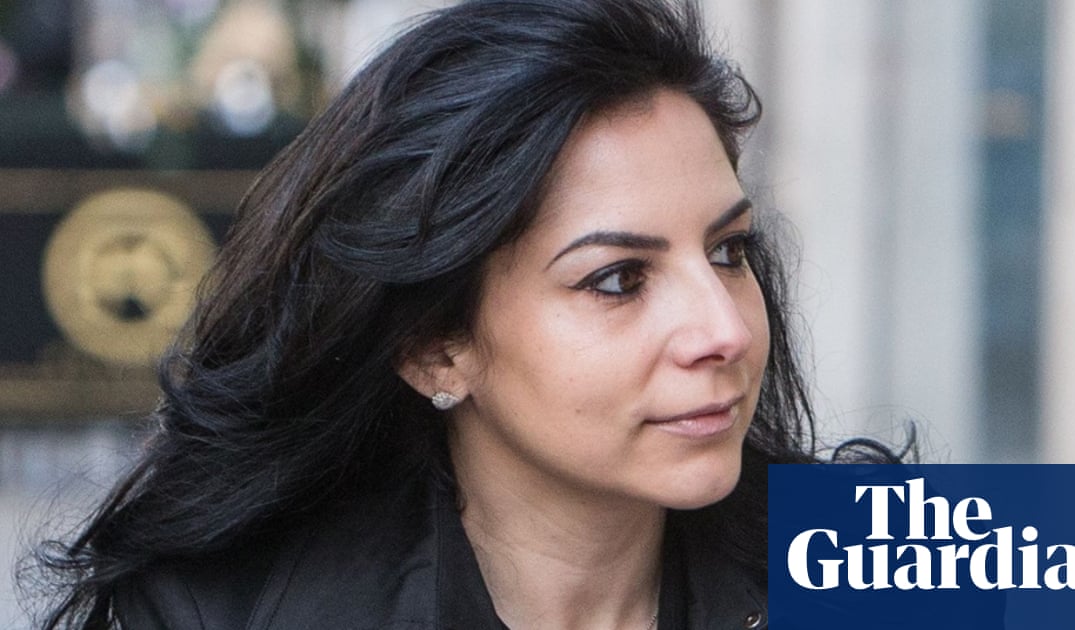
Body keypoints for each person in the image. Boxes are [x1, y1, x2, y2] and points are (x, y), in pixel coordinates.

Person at [31, 1, 896, 628]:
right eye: (618, 280)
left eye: (728, 252)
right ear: (434, 347)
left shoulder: (890, 566)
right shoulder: (224, 611)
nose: (726, 331)